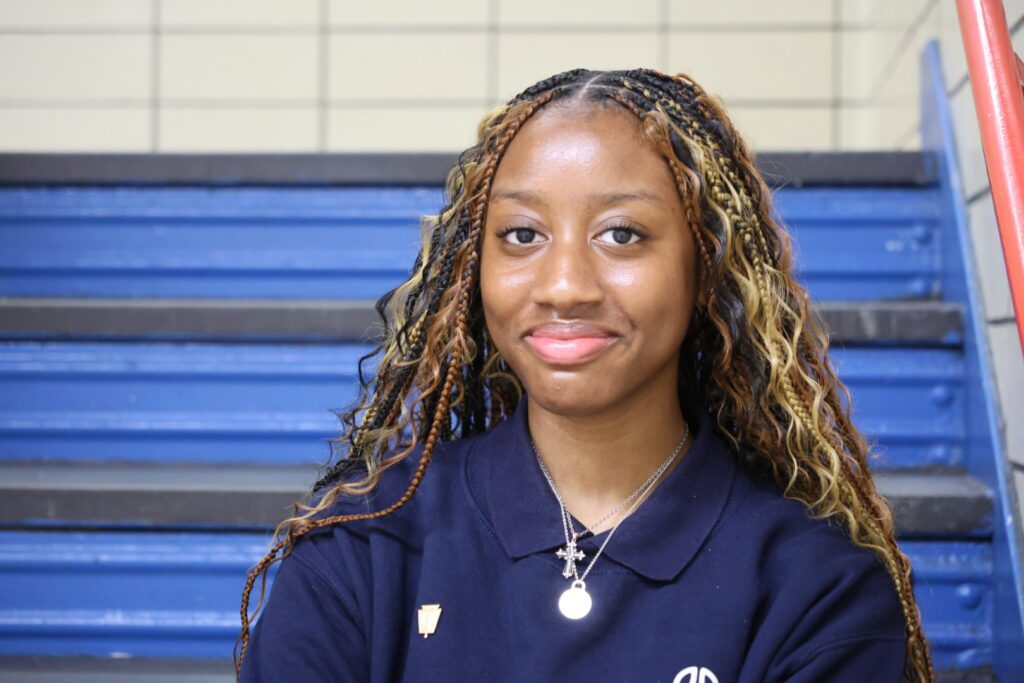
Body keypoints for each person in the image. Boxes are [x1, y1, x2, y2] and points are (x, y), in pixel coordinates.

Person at [233, 68, 934, 682]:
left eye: (622, 234)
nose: (565, 285)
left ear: (703, 269)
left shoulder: (814, 588)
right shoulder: (363, 546)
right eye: (522, 235)